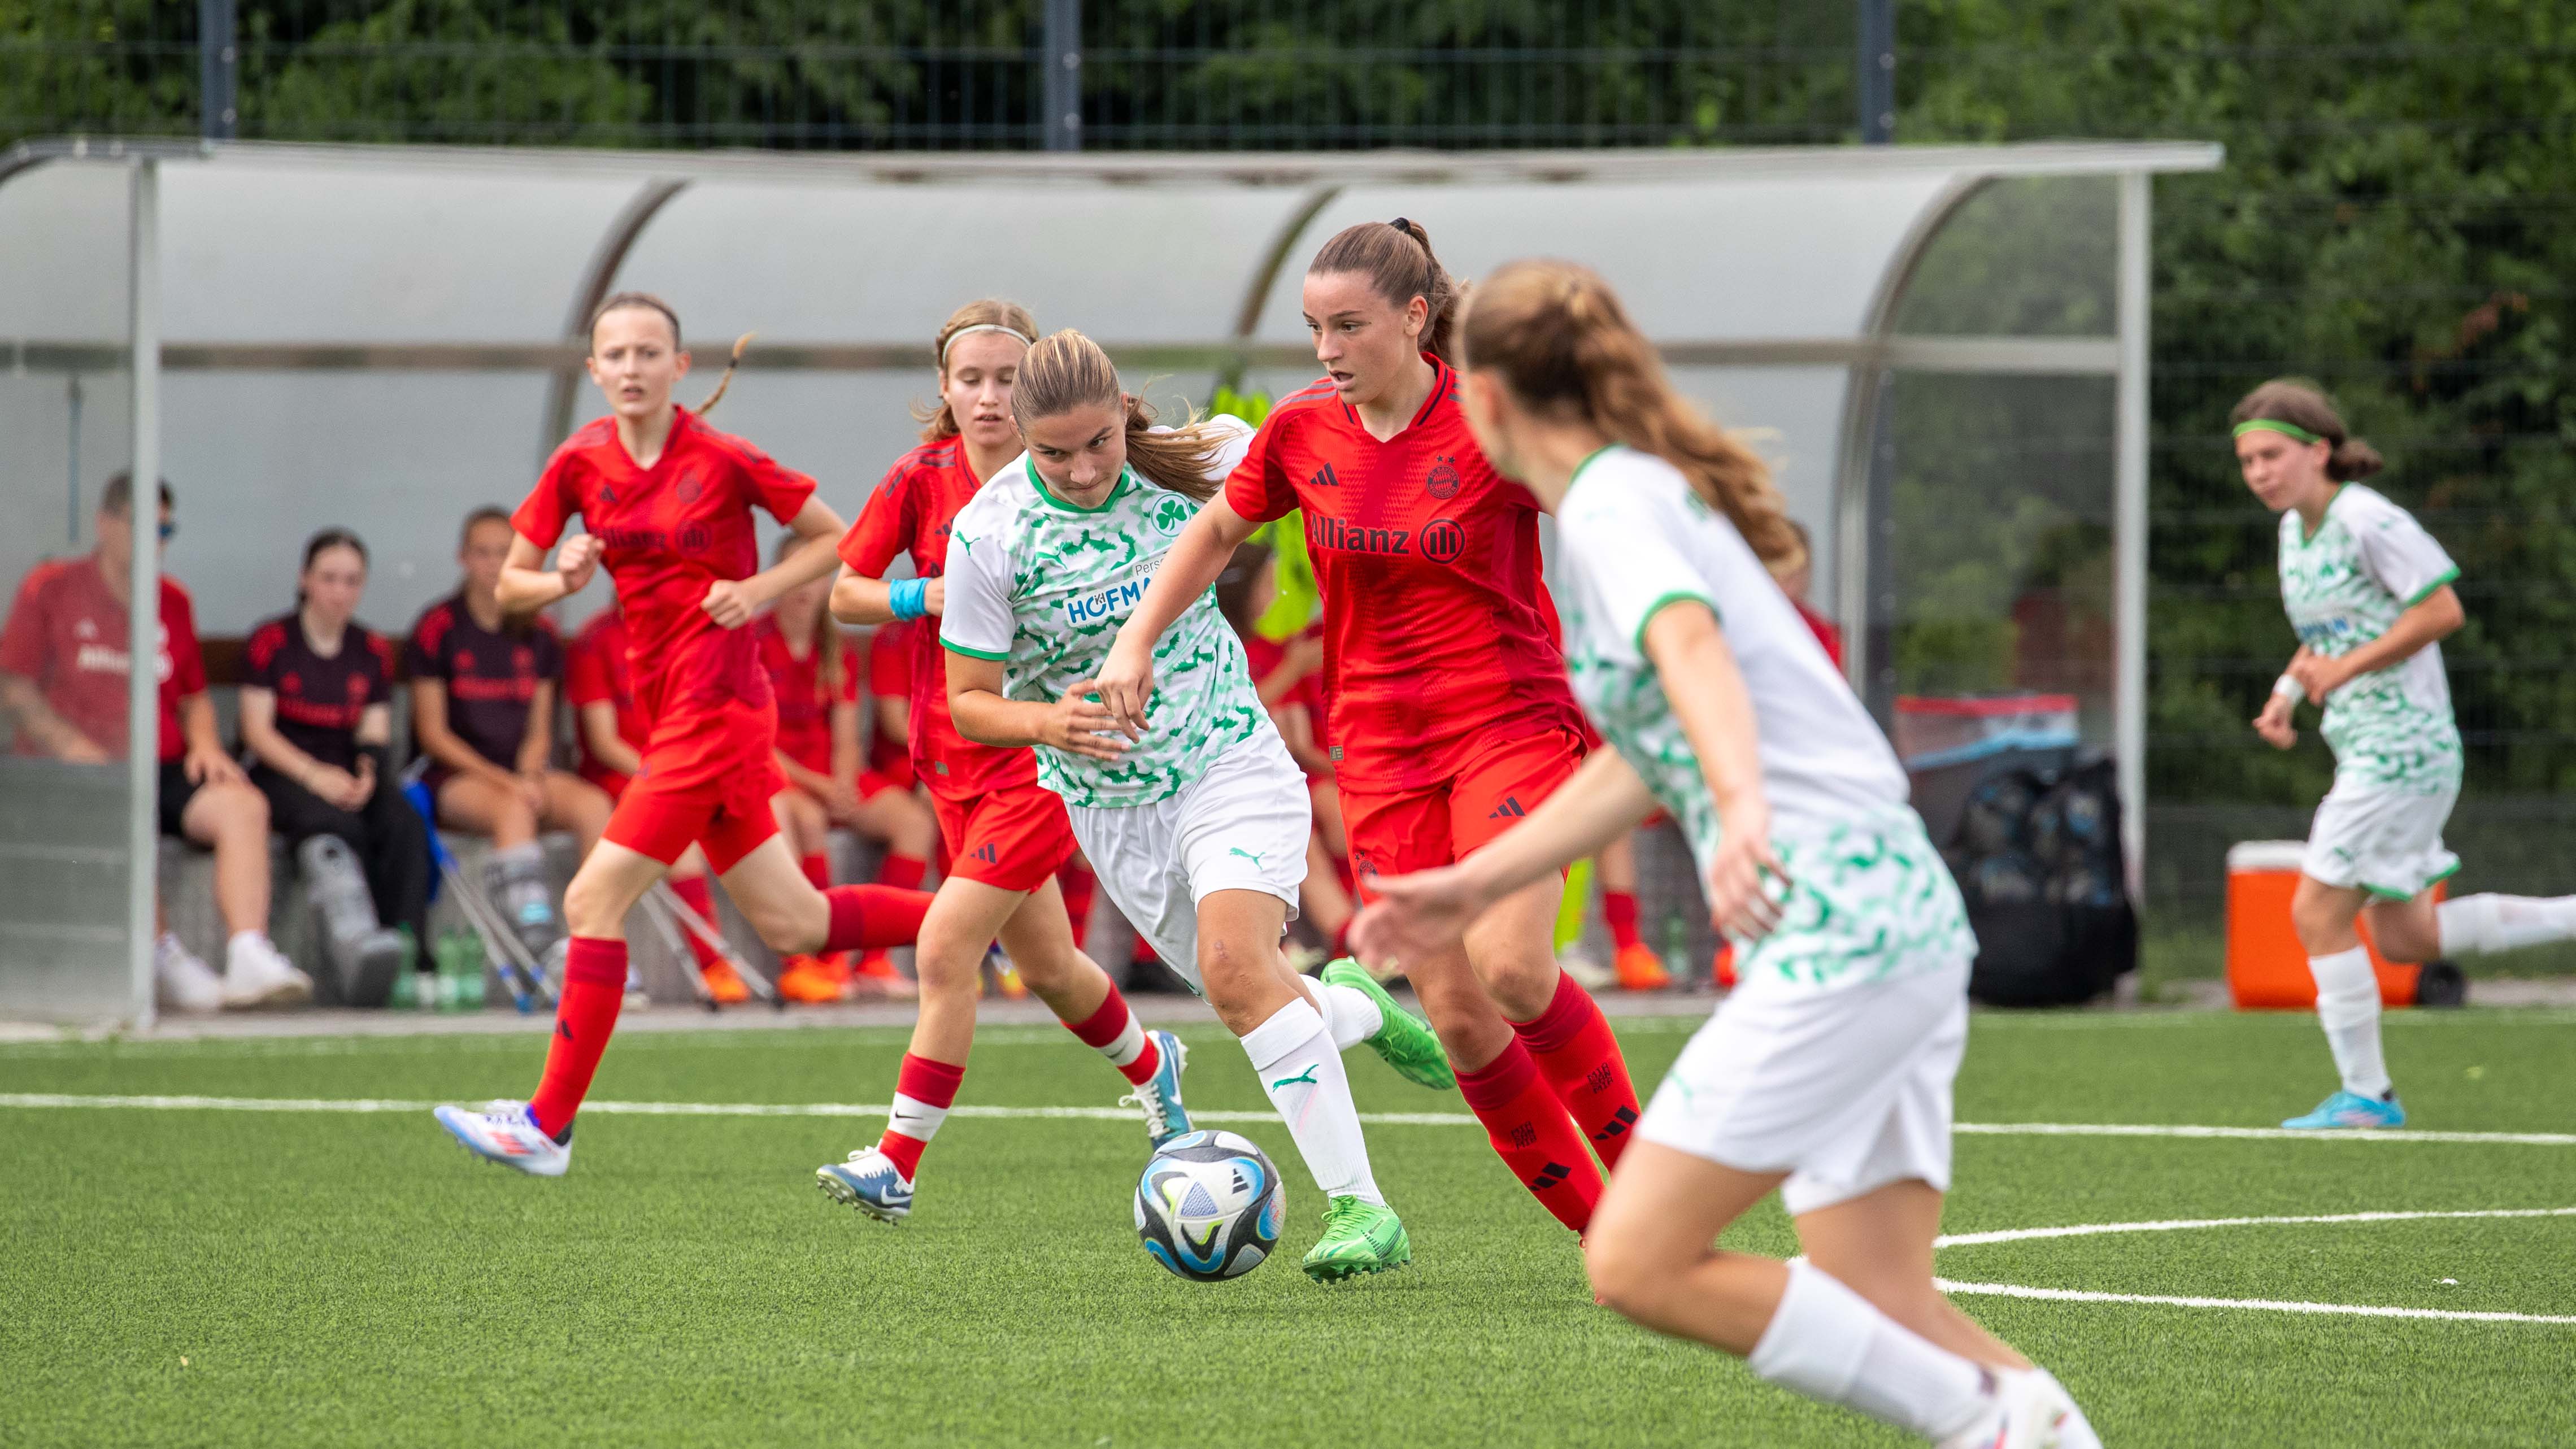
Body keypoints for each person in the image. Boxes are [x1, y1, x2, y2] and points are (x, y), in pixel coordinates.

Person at [1352, 259, 2099, 1446]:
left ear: (1481, 398)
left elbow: (1692, 651)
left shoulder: (1608, 506)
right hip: (1894, 919)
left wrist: (1743, 806)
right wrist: (1476, 882)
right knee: (1883, 1294)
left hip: (1841, 925)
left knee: (1636, 1260)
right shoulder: (1630, 496)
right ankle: (2036, 1426)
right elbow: (1648, 751)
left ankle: (1991, 1423)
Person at [1099, 219, 1642, 1237]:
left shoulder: (1494, 422)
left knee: (1517, 970)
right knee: (1463, 1019)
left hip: (1507, 723)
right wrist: (1133, 642)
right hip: (1383, 752)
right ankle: (1607, 1241)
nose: (1327, 350)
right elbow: (1218, 530)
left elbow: (1612, 508)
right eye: (1314, 329)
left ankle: (1656, 1202)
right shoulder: (1303, 431)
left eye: (1348, 326)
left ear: (1417, 317)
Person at [909, 329, 1450, 1278]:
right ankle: (1354, 1012)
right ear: (1018, 440)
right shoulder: (990, 535)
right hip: (1113, 813)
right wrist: (1050, 723)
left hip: (1227, 763)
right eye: (1055, 454)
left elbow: (1329, 434)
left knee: (1238, 974)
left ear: (1125, 414)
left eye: (1098, 445)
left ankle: (1365, 1211)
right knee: (1251, 990)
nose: (1082, 471)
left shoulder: (1206, 457)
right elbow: (967, 704)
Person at [431, 291, 932, 1176]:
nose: (630, 367)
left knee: (591, 902)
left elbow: (839, 539)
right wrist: (562, 578)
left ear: (679, 366)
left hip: (721, 711)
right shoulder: (579, 462)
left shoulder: (724, 458)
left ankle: (548, 1125)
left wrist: (760, 592)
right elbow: (513, 585)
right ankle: (981, 918)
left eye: (648, 352)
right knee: (795, 923)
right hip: (673, 711)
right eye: (614, 354)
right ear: (593, 370)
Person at [817, 299, 1187, 1224]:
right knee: (1055, 970)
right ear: (943, 391)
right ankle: (1155, 1066)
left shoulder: (1072, 477)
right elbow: (843, 596)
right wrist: (925, 591)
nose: (989, 397)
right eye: (970, 379)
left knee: (946, 949)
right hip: (952, 756)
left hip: (1045, 757)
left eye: (1006, 378)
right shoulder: (921, 477)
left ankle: (895, 1163)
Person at [2236, 378, 2576, 1129]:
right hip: (2368, 746)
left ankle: (2368, 1097)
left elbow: (2441, 609)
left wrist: (2344, 670)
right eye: (2249, 460)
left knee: (2317, 909)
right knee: (2406, 938)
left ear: (2319, 450)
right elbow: (2334, 629)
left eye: (2272, 454)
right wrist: (2289, 694)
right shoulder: (2296, 530)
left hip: (2401, 749)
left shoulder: (2368, 518)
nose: (2259, 472)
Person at [0, 473, 305, 1009]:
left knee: (244, 806)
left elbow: (194, 697)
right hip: (76, 771)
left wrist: (206, 744)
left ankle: (249, 951)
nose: (155, 540)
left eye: (166, 529)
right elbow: (16, 687)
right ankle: (163, 955)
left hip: (159, 763)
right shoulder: (51, 587)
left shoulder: (172, 599)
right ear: (105, 523)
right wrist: (69, 745)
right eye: (145, 525)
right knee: (126, 808)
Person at [408, 507, 612, 966]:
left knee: (594, 805)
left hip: (523, 770)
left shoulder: (538, 630)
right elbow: (433, 733)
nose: (494, 563)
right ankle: (538, 942)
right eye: (482, 552)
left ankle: (599, 941)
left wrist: (531, 772)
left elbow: (541, 727)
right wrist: (508, 782)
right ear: (463, 558)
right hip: (458, 775)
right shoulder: (438, 627)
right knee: (513, 808)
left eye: (505, 552)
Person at [241, 529, 428, 1007]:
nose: (339, 592)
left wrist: (366, 773)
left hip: (347, 772)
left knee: (404, 821)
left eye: (351, 581)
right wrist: (312, 775)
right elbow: (257, 733)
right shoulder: (271, 641)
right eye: (329, 579)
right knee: (334, 825)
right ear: (305, 579)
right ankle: (358, 947)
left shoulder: (372, 650)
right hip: (285, 771)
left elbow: (374, 731)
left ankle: (408, 949)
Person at [752, 534, 937, 1002]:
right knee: (804, 817)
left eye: (816, 576)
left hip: (828, 775)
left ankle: (875, 961)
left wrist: (843, 782)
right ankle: (812, 959)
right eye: (795, 574)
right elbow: (756, 741)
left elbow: (848, 732)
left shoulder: (836, 647)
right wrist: (820, 786)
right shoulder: (753, 642)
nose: (805, 587)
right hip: (780, 775)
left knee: (914, 823)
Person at [566, 598, 749, 1003]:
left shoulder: (687, 634)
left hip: (680, 773)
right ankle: (712, 964)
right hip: (622, 779)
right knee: (678, 837)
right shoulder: (594, 640)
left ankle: (806, 959)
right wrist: (667, 778)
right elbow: (603, 741)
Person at [1213, 541, 1354, 963]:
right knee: (1302, 822)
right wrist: (1293, 669)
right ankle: (1347, 935)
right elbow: (1234, 712)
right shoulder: (1226, 651)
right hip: (1240, 780)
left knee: (1328, 811)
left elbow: (1296, 742)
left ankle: (1351, 934)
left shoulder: (1278, 651)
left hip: (1285, 776)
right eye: (1267, 583)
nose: (1274, 591)